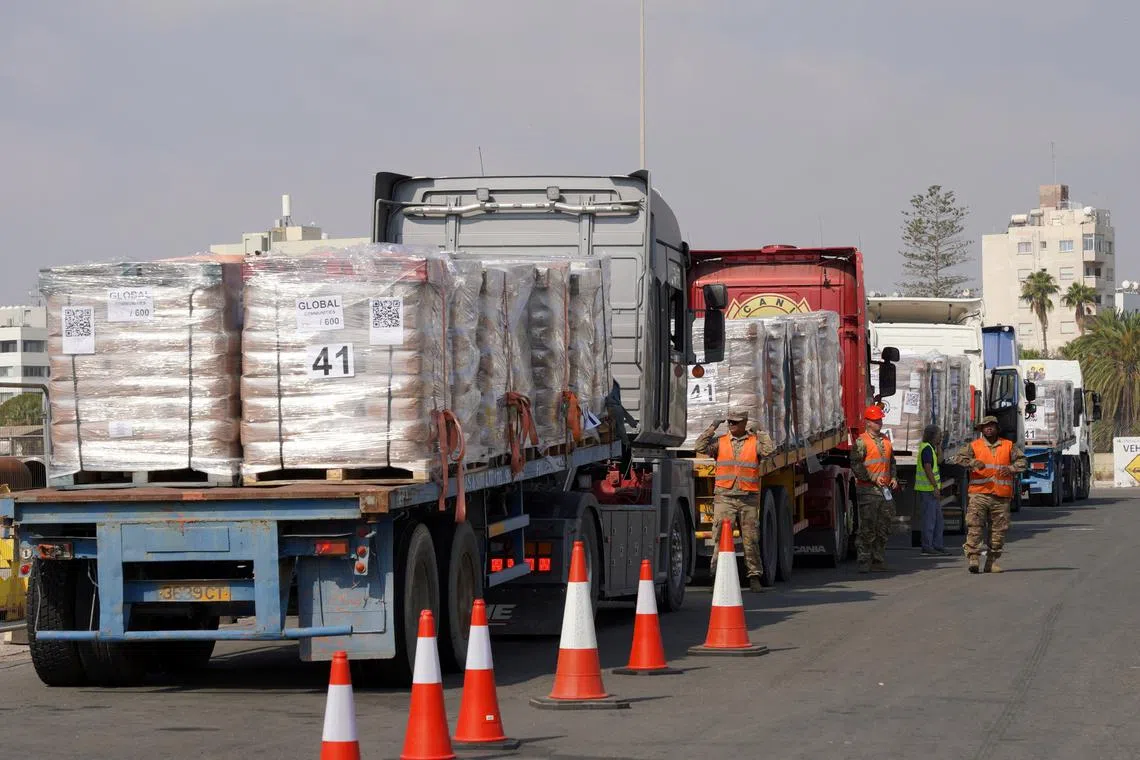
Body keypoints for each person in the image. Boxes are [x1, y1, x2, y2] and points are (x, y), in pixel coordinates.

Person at [693, 409, 776, 592]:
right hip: (725, 498)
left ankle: (754, 577)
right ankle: (717, 579)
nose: (731, 424)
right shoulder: (720, 443)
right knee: (721, 540)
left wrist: (760, 431)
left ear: (745, 423)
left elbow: (770, 450)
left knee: (751, 540)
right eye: (729, 422)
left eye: (736, 422)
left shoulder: (754, 442)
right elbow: (699, 446)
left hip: (748, 499)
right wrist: (713, 426)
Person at [950, 415, 1028, 573]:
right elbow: (957, 458)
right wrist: (972, 463)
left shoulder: (1008, 446)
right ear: (981, 429)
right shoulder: (974, 446)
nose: (989, 428)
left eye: (992, 425)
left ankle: (991, 562)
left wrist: (1012, 469)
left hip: (1001, 496)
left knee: (998, 531)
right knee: (975, 527)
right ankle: (973, 558)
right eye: (986, 426)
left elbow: (1023, 462)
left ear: (997, 428)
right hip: (979, 495)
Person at [851, 405, 898, 573]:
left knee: (883, 525)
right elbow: (856, 465)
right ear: (868, 422)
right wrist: (872, 478)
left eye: (880, 420)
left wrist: (893, 477)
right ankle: (864, 559)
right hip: (868, 491)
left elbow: (891, 462)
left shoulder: (885, 440)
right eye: (876, 420)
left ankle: (878, 558)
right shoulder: (861, 442)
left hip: (884, 490)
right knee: (867, 526)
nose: (880, 422)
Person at [916, 424, 950, 556]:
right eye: (939, 435)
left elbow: (940, 461)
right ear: (932, 435)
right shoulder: (926, 449)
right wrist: (935, 487)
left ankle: (937, 545)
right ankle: (927, 546)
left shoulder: (931, 448)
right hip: (928, 489)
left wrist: (939, 446)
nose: (940, 436)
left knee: (938, 520)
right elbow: (928, 468)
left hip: (931, 489)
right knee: (929, 520)